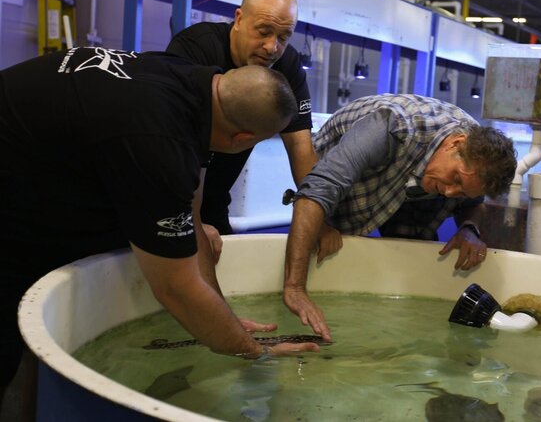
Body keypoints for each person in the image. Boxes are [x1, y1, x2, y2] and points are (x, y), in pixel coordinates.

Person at [0, 47, 320, 415]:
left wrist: (223, 317)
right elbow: (175, 288)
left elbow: (191, 217)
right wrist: (253, 352)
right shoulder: (160, 144)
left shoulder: (194, 84)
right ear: (241, 139)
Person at [282, 94, 518, 340]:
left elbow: (472, 203)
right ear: (455, 144)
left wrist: (469, 228)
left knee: (416, 275)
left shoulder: (477, 159)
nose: (450, 192)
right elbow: (317, 190)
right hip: (344, 183)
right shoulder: (392, 126)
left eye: (462, 190)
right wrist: (295, 287)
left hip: (408, 194)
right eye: (455, 179)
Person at [167, 0, 338, 255]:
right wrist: (193, 222)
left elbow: (300, 147)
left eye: (283, 37)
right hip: (172, 196)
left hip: (215, 199)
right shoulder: (194, 49)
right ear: (238, 19)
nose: (272, 47)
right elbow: (180, 145)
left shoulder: (287, 65)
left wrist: (319, 219)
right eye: (264, 31)